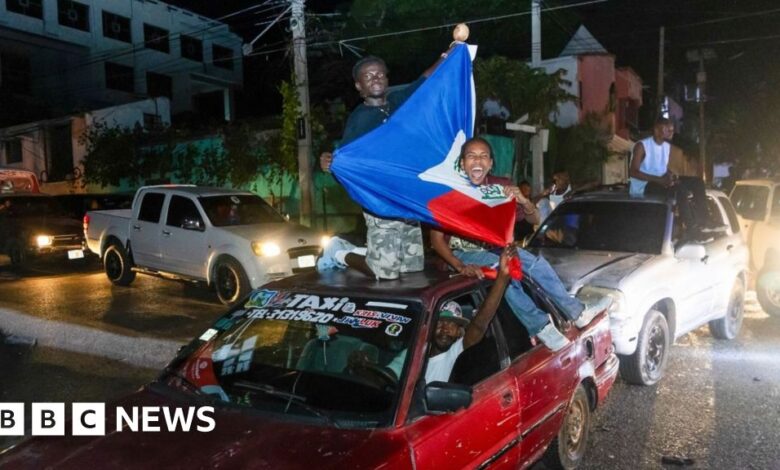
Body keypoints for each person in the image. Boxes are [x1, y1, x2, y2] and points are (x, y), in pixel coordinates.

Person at [431, 137, 610, 351]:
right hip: (462, 254)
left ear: (490, 164)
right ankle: (540, 327)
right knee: (504, 272)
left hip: (493, 248)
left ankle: (578, 313)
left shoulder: (500, 187)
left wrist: (523, 201)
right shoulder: (450, 192)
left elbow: (534, 221)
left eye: (483, 156)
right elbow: (436, 240)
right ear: (462, 163)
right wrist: (459, 266)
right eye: (471, 156)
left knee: (537, 264)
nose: (477, 161)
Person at [318, 50, 452, 280]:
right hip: (380, 201)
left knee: (412, 268)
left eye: (380, 74)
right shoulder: (360, 118)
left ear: (387, 79)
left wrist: (448, 55)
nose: (375, 78)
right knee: (384, 271)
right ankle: (339, 252)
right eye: (368, 77)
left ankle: (373, 254)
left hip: (406, 200)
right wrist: (329, 163)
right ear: (359, 86)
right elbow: (346, 159)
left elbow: (424, 82)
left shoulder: (397, 103)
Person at [351, 246, 515, 384]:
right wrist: (364, 370)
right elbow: (388, 378)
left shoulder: (455, 353)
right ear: (429, 328)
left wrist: (501, 279)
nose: (444, 328)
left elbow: (479, 325)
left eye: (452, 324)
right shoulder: (412, 354)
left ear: (460, 332)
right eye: (440, 322)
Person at [630, 117, 710, 234]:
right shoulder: (641, 146)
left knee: (697, 183)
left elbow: (662, 168)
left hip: (659, 180)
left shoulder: (666, 147)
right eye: (667, 130)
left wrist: (672, 177)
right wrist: (660, 180)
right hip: (644, 186)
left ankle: (705, 220)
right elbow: (633, 172)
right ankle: (691, 227)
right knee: (679, 190)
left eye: (672, 130)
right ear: (657, 130)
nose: (671, 133)